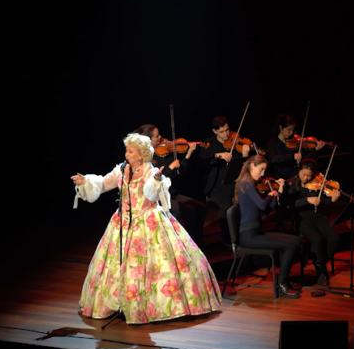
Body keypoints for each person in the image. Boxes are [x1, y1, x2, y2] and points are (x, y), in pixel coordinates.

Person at [71, 133, 221, 324]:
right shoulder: (121, 169)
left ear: (141, 155)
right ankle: (117, 303)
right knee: (116, 265)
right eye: (127, 150)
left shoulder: (151, 171)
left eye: (131, 151)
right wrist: (86, 182)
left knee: (152, 266)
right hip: (122, 222)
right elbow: (104, 183)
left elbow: (150, 193)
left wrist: (158, 181)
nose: (126, 154)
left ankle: (151, 307)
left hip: (148, 220)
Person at [235, 155, 302, 298]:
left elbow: (265, 209)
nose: (263, 174)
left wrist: (278, 193)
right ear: (252, 165)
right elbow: (262, 204)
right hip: (248, 236)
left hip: (256, 232)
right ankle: (282, 284)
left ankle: (283, 281)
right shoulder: (246, 183)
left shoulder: (250, 183)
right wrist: (271, 195)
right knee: (290, 246)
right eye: (261, 169)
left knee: (296, 241)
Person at [135, 124, 207, 246]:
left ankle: (197, 240)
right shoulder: (145, 158)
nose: (161, 137)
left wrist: (188, 154)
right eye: (157, 136)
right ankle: (187, 245)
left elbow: (178, 173)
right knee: (190, 211)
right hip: (157, 198)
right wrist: (170, 168)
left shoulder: (163, 152)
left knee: (201, 207)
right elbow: (155, 180)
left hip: (171, 193)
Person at [282, 159, 340, 286]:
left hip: (318, 216)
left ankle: (322, 263)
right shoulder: (291, 185)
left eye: (310, 175)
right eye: (304, 174)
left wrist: (332, 200)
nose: (307, 178)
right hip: (302, 219)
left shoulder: (316, 183)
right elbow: (288, 206)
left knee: (334, 238)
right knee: (316, 239)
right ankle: (320, 271)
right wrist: (307, 200)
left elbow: (322, 201)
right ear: (298, 172)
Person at [200, 116, 252, 244]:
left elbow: (244, 166)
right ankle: (226, 236)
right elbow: (202, 161)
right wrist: (217, 155)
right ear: (215, 131)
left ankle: (244, 234)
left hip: (234, 182)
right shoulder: (209, 143)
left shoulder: (235, 141)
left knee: (247, 203)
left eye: (227, 130)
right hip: (217, 185)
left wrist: (245, 154)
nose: (226, 134)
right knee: (227, 206)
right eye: (222, 132)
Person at [265, 114, 326, 180]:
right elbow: (273, 159)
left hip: (294, 177)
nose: (291, 133)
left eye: (293, 130)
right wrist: (293, 156)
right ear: (281, 127)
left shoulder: (294, 142)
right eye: (289, 130)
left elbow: (304, 159)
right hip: (278, 178)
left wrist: (316, 150)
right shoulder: (272, 142)